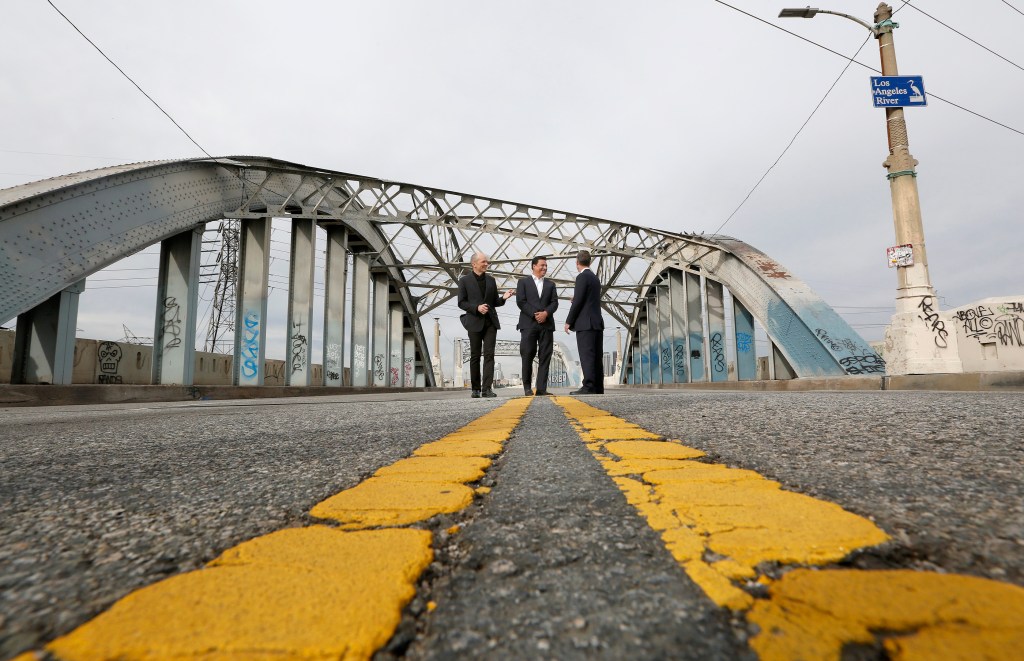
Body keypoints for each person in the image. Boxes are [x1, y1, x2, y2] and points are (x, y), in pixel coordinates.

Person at [457, 252, 513, 398]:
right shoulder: (464, 281)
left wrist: (504, 298)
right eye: (483, 262)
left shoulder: (491, 280)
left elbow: (495, 302)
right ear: (474, 264)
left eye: (487, 262)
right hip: (474, 322)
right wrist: (476, 308)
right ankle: (475, 389)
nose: (486, 264)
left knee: (489, 355)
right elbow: (461, 302)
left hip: (490, 323)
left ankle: (486, 389)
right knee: (475, 356)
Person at [516, 255, 558, 396]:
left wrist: (545, 313)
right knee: (527, 354)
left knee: (545, 355)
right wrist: (536, 314)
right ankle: (527, 387)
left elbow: (554, 303)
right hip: (528, 323)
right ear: (533, 266)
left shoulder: (551, 285)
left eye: (546, 266)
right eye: (542, 265)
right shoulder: (523, 282)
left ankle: (541, 388)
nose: (545, 268)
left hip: (547, 325)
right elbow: (521, 302)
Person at [564, 250, 605, 394]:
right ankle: (598, 387)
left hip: (585, 323)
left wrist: (569, 321)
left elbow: (579, 301)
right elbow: (588, 299)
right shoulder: (594, 278)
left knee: (586, 355)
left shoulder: (581, 277)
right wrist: (577, 298)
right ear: (590, 262)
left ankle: (588, 386)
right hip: (597, 322)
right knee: (596, 356)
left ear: (577, 263)